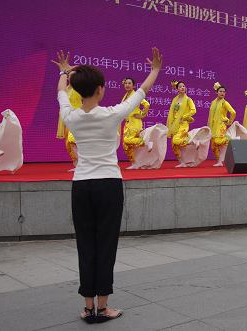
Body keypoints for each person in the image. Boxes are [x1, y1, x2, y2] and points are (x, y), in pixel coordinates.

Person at [53, 48, 162, 324]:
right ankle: (103, 307)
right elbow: (143, 92)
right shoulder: (112, 114)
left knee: (85, 244)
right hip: (109, 186)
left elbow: (61, 92)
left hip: (82, 186)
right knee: (106, 245)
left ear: (78, 90)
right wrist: (155, 69)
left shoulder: (71, 116)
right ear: (100, 90)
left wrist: (65, 72)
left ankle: (88, 306)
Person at [121, 77, 151, 165]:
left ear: (133, 85)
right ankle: (134, 163)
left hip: (135, 123)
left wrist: (142, 114)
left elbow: (146, 104)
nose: (127, 85)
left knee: (127, 140)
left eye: (129, 83)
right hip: (128, 123)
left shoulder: (135, 95)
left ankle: (145, 142)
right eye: (126, 83)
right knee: (126, 145)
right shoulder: (126, 95)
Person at [166, 80, 196, 164]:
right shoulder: (175, 99)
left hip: (183, 123)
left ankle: (192, 140)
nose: (182, 87)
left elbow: (193, 110)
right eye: (180, 86)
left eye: (183, 86)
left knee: (176, 140)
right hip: (175, 123)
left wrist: (185, 116)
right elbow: (172, 112)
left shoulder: (188, 99)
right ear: (177, 89)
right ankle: (182, 162)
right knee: (174, 144)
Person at [207, 82, 236, 166]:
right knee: (213, 146)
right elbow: (210, 115)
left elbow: (233, 112)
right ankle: (219, 161)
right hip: (213, 126)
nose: (222, 93)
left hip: (221, 126)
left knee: (218, 141)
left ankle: (229, 139)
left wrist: (229, 121)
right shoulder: (213, 102)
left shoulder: (225, 103)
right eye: (220, 91)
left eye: (224, 91)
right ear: (216, 92)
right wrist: (208, 125)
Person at [57, 86, 82, 170]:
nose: (70, 77)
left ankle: (81, 164)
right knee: (68, 143)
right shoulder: (67, 89)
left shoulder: (80, 88)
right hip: (68, 118)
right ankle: (77, 164)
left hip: (77, 116)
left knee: (73, 141)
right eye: (69, 76)